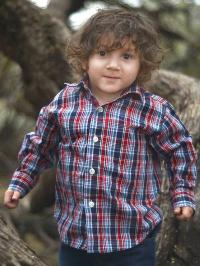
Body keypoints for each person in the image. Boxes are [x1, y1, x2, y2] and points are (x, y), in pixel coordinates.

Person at [4, 7, 197, 266]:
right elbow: (40, 145)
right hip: (76, 238)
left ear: (142, 65)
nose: (113, 65)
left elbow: (179, 150)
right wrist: (21, 182)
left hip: (132, 239)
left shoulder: (153, 109)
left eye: (126, 56)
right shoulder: (65, 102)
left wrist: (182, 193)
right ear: (85, 59)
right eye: (103, 53)